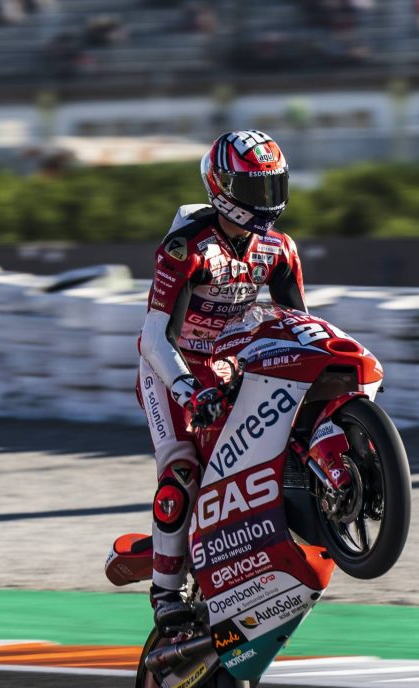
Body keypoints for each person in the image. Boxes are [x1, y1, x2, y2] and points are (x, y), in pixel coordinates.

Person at [137, 130, 307, 630]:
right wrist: (188, 391)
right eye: (256, 190)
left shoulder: (280, 249)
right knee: (182, 470)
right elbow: (151, 336)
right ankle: (165, 594)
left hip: (232, 365)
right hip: (172, 368)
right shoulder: (185, 244)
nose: (267, 202)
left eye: (273, 187)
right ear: (221, 188)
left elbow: (298, 326)